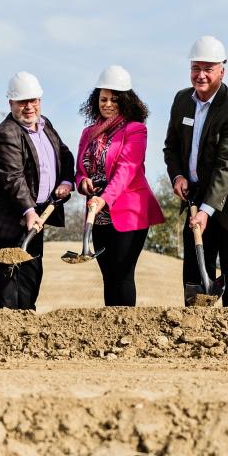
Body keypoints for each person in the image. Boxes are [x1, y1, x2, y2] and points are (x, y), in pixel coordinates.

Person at [163, 36, 228, 306]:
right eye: (196, 68)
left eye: (208, 69)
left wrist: (206, 211)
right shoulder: (181, 101)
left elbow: (227, 166)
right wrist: (177, 175)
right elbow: (171, 147)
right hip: (197, 196)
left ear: (222, 70)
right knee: (196, 276)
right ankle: (197, 335)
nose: (201, 75)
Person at [0, 72, 73, 309]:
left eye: (34, 100)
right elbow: (13, 178)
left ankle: (26, 328)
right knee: (8, 287)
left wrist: (66, 181)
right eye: (22, 102)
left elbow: (64, 153)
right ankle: (4, 334)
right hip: (10, 221)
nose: (29, 107)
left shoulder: (45, 124)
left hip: (37, 215)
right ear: (10, 103)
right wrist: (29, 210)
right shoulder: (6, 134)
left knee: (31, 277)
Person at [75, 65, 165, 306]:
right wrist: (82, 182)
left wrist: (105, 198)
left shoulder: (135, 130)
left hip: (129, 212)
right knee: (108, 277)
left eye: (114, 100)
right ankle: (111, 331)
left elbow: (128, 168)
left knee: (122, 275)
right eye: (103, 99)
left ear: (125, 101)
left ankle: (127, 333)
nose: (108, 104)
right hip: (98, 214)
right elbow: (81, 168)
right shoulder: (88, 133)